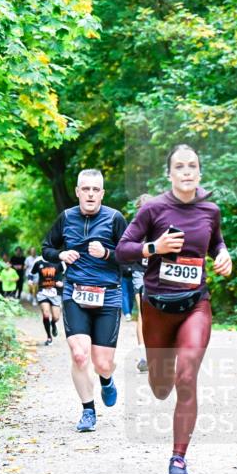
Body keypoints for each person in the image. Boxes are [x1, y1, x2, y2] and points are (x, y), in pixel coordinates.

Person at [116, 145, 233, 474]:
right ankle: (155, 373)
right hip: (157, 307)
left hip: (196, 304)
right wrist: (154, 248)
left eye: (192, 166)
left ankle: (178, 460)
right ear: (169, 174)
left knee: (186, 377)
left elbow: (217, 244)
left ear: (199, 172)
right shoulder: (153, 209)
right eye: (179, 166)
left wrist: (224, 256)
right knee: (161, 387)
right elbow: (122, 249)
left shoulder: (211, 210)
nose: (186, 171)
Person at [41, 169, 128, 432]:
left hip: (108, 296)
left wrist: (106, 254)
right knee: (79, 356)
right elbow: (46, 248)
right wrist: (61, 254)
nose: (90, 194)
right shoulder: (66, 218)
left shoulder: (115, 219)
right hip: (74, 293)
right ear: (78, 191)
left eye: (95, 189)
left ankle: (106, 379)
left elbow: (130, 256)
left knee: (102, 363)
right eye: (85, 189)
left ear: (102, 193)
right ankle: (88, 411)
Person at [126, 193, 154, 372]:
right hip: (140, 273)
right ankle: (144, 356)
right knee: (144, 312)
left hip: (159, 273)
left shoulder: (164, 226)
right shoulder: (134, 228)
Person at [30, 256, 64, 345]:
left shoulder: (59, 261)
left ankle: (53, 323)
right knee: (46, 313)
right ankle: (49, 337)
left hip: (55, 293)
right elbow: (31, 273)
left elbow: (67, 274)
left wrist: (62, 282)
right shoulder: (38, 261)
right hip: (43, 292)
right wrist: (30, 281)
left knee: (56, 317)